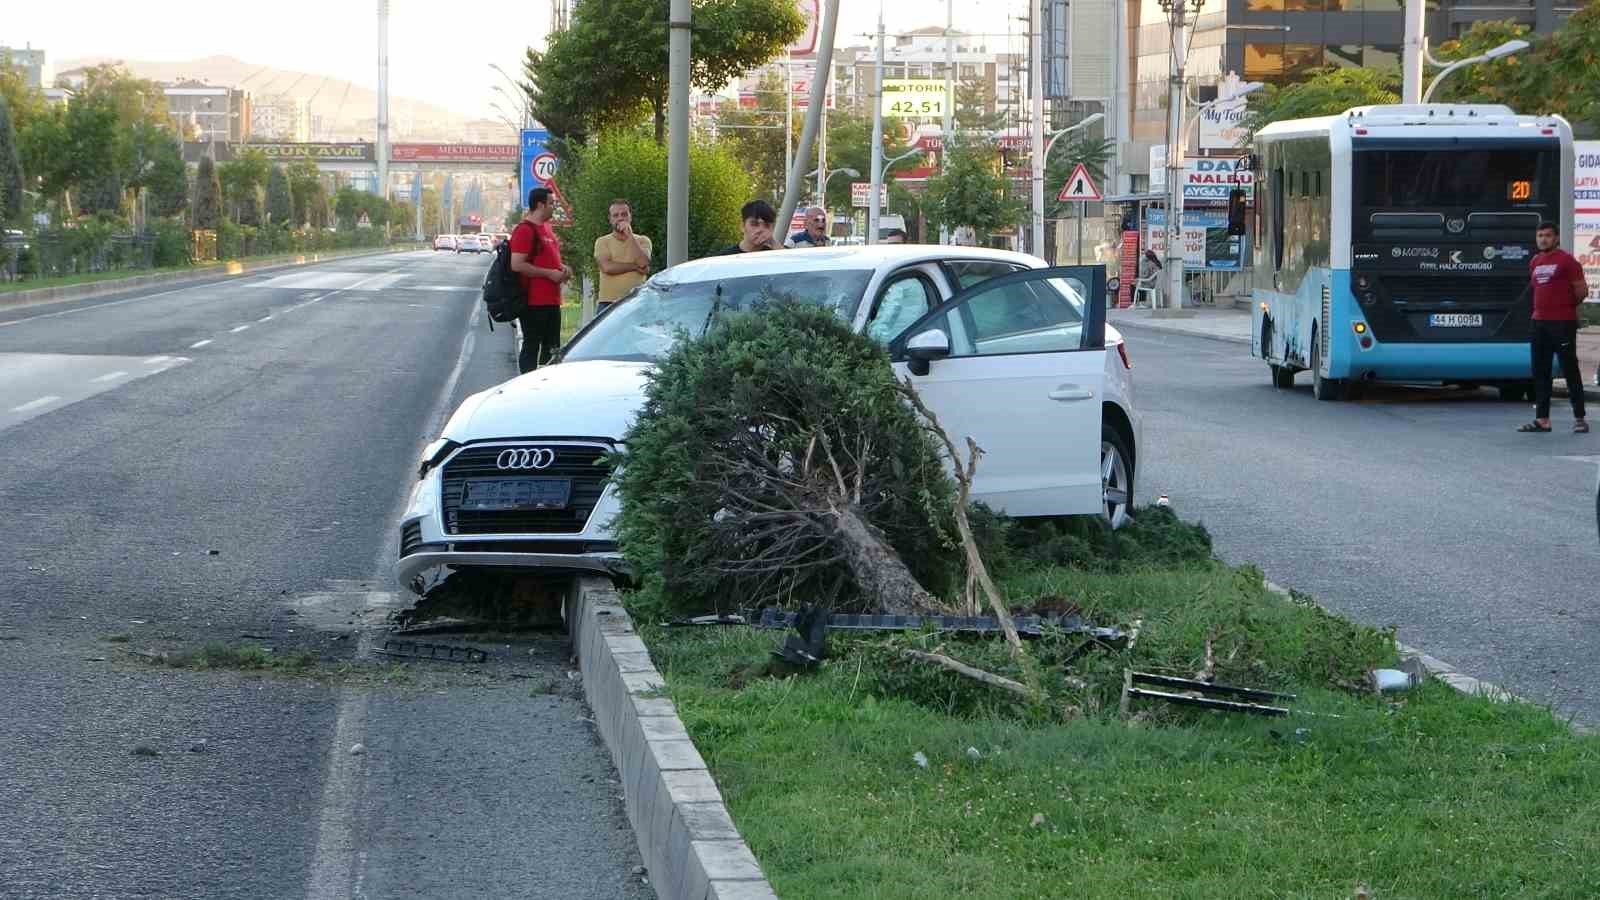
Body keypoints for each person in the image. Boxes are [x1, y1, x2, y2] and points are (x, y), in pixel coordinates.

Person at [1518, 222, 1590, 433]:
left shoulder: (1567, 261)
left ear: (1556, 238)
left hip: (1562, 323)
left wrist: (1563, 309)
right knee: (1540, 372)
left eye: (1548, 235)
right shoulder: (1535, 261)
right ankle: (1542, 420)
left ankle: (1580, 418)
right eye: (1540, 235)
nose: (1543, 239)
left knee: (1570, 370)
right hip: (1538, 323)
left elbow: (1581, 291)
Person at [509, 187, 571, 374]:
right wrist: (549, 274)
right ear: (540, 205)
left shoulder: (546, 229)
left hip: (552, 300)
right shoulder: (525, 230)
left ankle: (547, 387)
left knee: (552, 349)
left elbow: (549, 259)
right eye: (551, 204)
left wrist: (563, 269)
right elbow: (517, 264)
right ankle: (525, 386)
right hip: (533, 302)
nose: (554, 208)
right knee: (531, 346)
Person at [593, 198, 651, 311]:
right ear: (610, 219)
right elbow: (607, 267)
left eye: (624, 214)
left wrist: (629, 235)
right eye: (615, 215)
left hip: (637, 301)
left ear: (630, 217)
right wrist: (635, 266)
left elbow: (643, 262)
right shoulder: (602, 241)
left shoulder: (643, 240)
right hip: (608, 303)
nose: (620, 218)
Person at [713, 200, 782, 255]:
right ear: (742, 226)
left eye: (767, 225)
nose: (760, 230)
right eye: (754, 224)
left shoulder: (774, 256)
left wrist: (773, 242)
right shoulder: (725, 258)